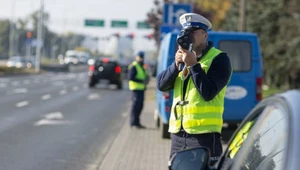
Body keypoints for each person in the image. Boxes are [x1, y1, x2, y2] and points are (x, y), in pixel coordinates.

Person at [157, 13, 232, 165]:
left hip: (203, 137)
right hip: (178, 135)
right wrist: (175, 66)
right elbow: (161, 85)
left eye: (193, 32)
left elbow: (208, 92)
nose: (188, 36)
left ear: (205, 35)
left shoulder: (219, 59)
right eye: (185, 32)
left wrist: (193, 65)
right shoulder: (182, 59)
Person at [128, 51, 149, 129]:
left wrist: (147, 78)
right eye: (139, 57)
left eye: (142, 57)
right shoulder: (134, 66)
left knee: (140, 106)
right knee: (135, 107)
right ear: (136, 57)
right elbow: (130, 77)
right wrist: (141, 81)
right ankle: (133, 123)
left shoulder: (142, 66)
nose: (141, 59)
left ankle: (137, 123)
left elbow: (145, 75)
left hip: (141, 89)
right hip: (135, 89)